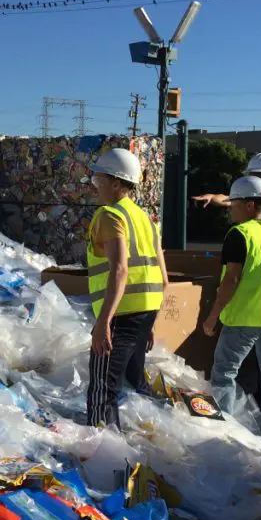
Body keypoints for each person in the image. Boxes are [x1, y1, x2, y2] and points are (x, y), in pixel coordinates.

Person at [202, 176, 261, 446]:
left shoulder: (240, 234)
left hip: (244, 316)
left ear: (250, 204)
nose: (230, 207)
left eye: (235, 203)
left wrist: (212, 317)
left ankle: (222, 438)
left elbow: (230, 280)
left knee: (224, 373)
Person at [85, 148, 168, 428]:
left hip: (119, 315)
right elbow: (162, 277)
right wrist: (149, 322)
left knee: (103, 389)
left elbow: (119, 270)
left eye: (99, 180)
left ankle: (103, 457)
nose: (95, 187)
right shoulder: (145, 219)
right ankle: (136, 439)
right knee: (133, 384)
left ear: (117, 183)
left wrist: (104, 322)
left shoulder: (110, 215)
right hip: (144, 313)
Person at [192, 152, 261, 266]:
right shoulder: (255, 199)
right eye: (250, 177)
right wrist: (212, 197)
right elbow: (229, 199)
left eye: (256, 177)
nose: (252, 181)